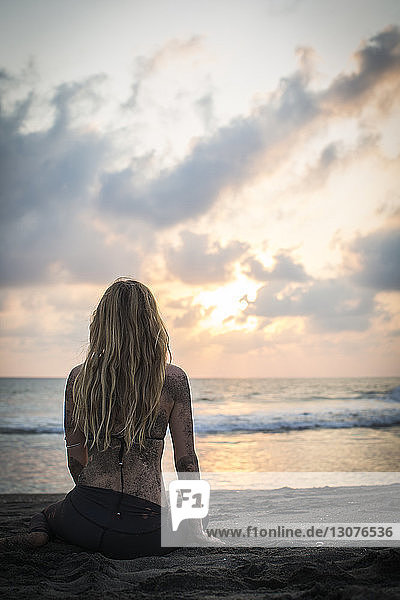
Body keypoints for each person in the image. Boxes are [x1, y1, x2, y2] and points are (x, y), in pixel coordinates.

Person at [0, 278, 221, 558]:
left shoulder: (79, 378)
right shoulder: (172, 379)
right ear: (151, 322)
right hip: (147, 531)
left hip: (83, 520)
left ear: (102, 324)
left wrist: (96, 506)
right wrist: (194, 528)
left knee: (46, 515)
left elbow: (75, 458)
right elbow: (186, 461)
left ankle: (38, 535)